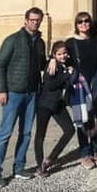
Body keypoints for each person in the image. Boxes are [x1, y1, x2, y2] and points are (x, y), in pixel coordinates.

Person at [0, 7, 47, 187]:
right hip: (13, 93)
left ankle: (19, 167)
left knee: (26, 132)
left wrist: (54, 59)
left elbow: (42, 64)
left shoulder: (40, 42)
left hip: (32, 93)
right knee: (5, 133)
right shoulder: (13, 40)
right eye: (32, 20)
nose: (35, 23)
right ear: (26, 20)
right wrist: (1, 90)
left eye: (38, 20)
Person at [62, 11, 97, 169]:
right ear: (76, 24)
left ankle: (96, 150)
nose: (84, 24)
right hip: (79, 87)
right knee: (82, 120)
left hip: (95, 84)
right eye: (80, 22)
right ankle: (85, 153)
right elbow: (59, 55)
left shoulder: (96, 40)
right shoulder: (70, 43)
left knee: (96, 119)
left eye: (86, 21)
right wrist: (52, 59)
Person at [34, 41, 76, 177]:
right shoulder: (51, 65)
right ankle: (40, 166)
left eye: (64, 53)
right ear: (54, 54)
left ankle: (51, 158)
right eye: (59, 54)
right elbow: (50, 84)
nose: (62, 56)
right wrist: (66, 75)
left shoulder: (66, 65)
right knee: (40, 134)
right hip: (45, 104)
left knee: (70, 130)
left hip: (58, 104)